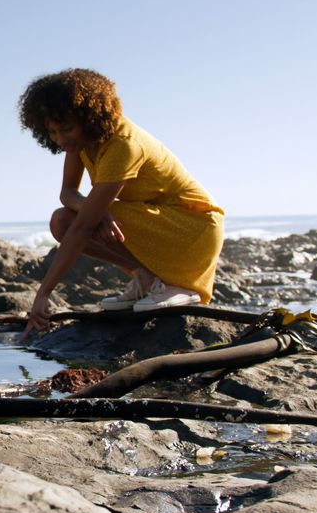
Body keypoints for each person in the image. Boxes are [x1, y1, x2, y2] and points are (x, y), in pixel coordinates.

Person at [17, 68, 224, 339]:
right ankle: (147, 277)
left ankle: (182, 287)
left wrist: (42, 294)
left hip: (192, 229)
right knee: (62, 220)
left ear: (89, 117)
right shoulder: (81, 143)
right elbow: (67, 193)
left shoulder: (121, 145)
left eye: (66, 128)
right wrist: (97, 212)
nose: (60, 138)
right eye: (52, 131)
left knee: (71, 222)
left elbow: (81, 227)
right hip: (158, 219)